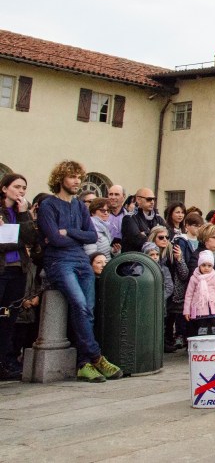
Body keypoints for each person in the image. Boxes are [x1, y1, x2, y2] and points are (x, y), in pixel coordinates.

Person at [37, 161, 122, 383]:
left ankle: (84, 364)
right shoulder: (48, 205)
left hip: (81, 260)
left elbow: (91, 236)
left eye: (78, 177)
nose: (77, 181)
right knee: (80, 305)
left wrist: (69, 232)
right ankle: (95, 356)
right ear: (60, 179)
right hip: (59, 262)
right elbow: (54, 239)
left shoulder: (80, 207)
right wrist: (70, 235)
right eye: (72, 177)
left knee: (89, 310)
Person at [0, 173, 39, 380]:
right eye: (17, 187)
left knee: (9, 317)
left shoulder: (21, 211)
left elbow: (31, 238)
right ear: (5, 189)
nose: (21, 191)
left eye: (24, 187)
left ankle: (4, 362)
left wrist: (24, 215)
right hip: (2, 270)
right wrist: (19, 240)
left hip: (18, 271)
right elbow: (3, 243)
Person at [184, 251, 215, 336]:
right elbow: (189, 295)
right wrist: (187, 311)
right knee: (202, 328)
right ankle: (203, 344)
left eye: (209, 266)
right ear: (199, 265)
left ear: (212, 266)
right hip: (200, 309)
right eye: (203, 265)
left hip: (214, 308)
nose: (206, 268)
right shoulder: (194, 278)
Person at [120, 188, 166, 253]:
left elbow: (168, 235)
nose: (152, 202)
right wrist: (156, 235)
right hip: (135, 259)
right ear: (138, 200)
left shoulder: (157, 217)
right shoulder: (129, 218)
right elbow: (138, 240)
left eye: (154, 199)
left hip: (154, 259)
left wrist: (146, 233)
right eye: (149, 199)